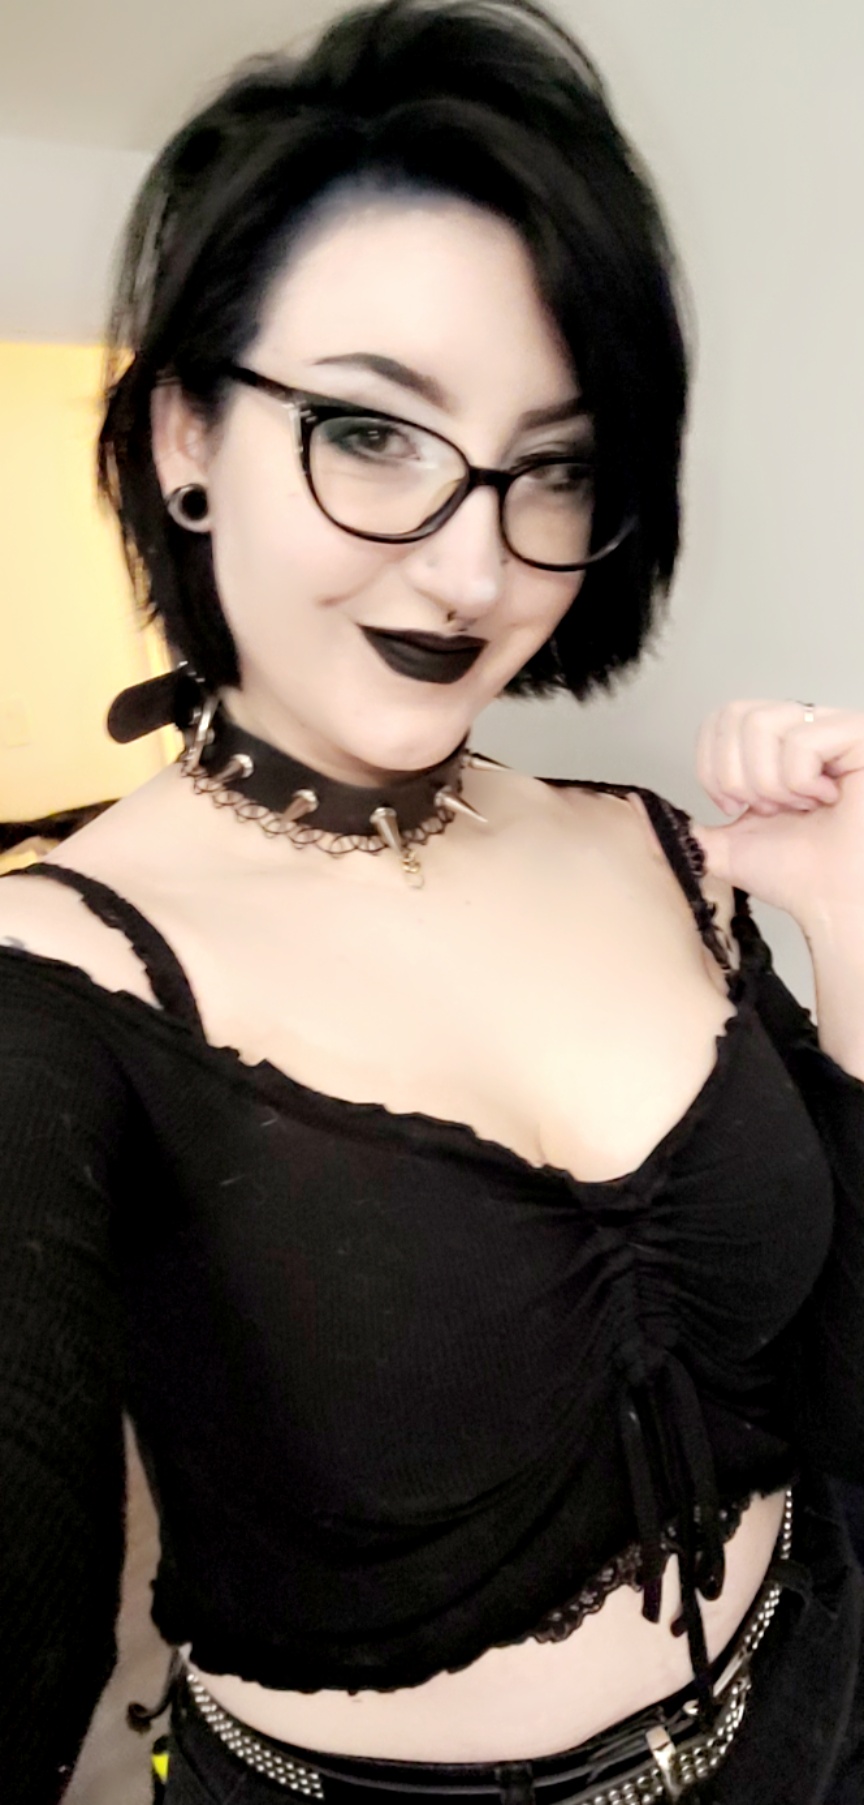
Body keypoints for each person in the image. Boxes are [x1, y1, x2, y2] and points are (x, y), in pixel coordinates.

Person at [2, 1, 864, 1800]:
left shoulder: (656, 849)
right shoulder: (57, 981)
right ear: (184, 433)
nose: (474, 570)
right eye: (372, 432)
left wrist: (850, 921)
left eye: (553, 466)